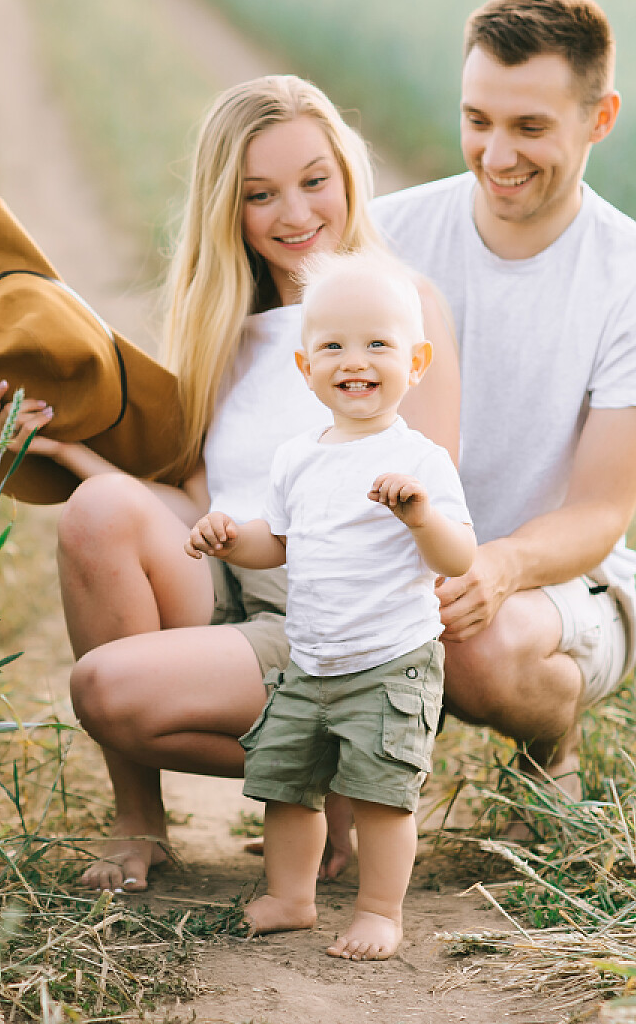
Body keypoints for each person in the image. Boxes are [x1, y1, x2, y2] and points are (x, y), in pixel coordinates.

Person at [0, 75, 462, 892]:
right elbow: (200, 504)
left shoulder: (400, 308)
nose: (296, 213)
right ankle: (141, 826)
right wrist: (68, 452)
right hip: (232, 585)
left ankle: (347, 761)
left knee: (103, 688)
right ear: (227, 209)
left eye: (315, 181)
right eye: (260, 194)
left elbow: (426, 485)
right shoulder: (221, 325)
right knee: (99, 510)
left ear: (347, 177)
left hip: (330, 622)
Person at [372, 0, 636, 808]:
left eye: (529, 127)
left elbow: (598, 514)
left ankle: (551, 745)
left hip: (561, 585)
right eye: (477, 120)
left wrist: (497, 566)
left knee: (479, 649)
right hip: (393, 560)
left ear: (601, 118)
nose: (496, 153)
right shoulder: (386, 233)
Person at [186, 250, 475, 960]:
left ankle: (380, 909)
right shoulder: (297, 457)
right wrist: (230, 538)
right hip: (309, 657)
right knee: (288, 785)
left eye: (378, 343)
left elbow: (458, 557)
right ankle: (292, 895)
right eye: (334, 345)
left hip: (388, 662)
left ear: (416, 361)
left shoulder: (421, 461)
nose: (356, 359)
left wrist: (419, 516)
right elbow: (276, 542)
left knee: (381, 796)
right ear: (304, 365)